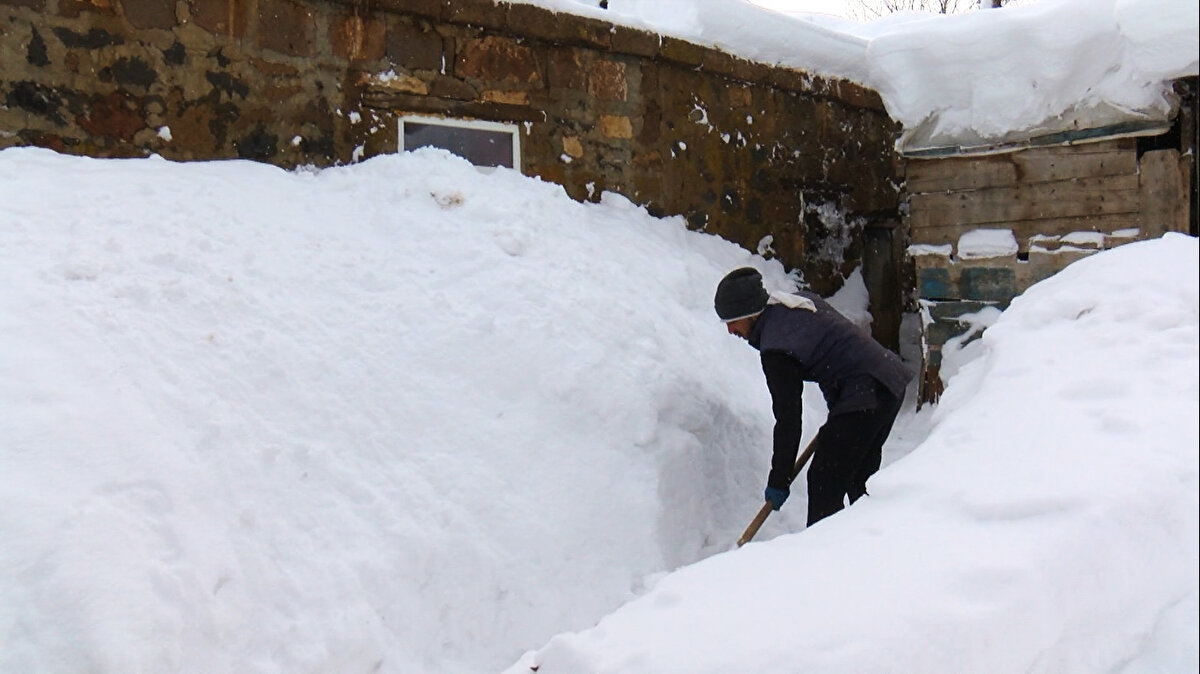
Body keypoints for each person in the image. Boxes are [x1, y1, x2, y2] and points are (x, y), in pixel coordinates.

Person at [714, 267, 911, 526]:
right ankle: (868, 542)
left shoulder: (777, 347)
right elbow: (833, 353)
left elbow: (788, 418)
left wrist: (779, 479)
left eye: (733, 321)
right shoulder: (795, 307)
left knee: (824, 481)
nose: (730, 330)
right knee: (858, 478)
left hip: (866, 393)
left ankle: (823, 556)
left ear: (751, 314)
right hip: (886, 382)